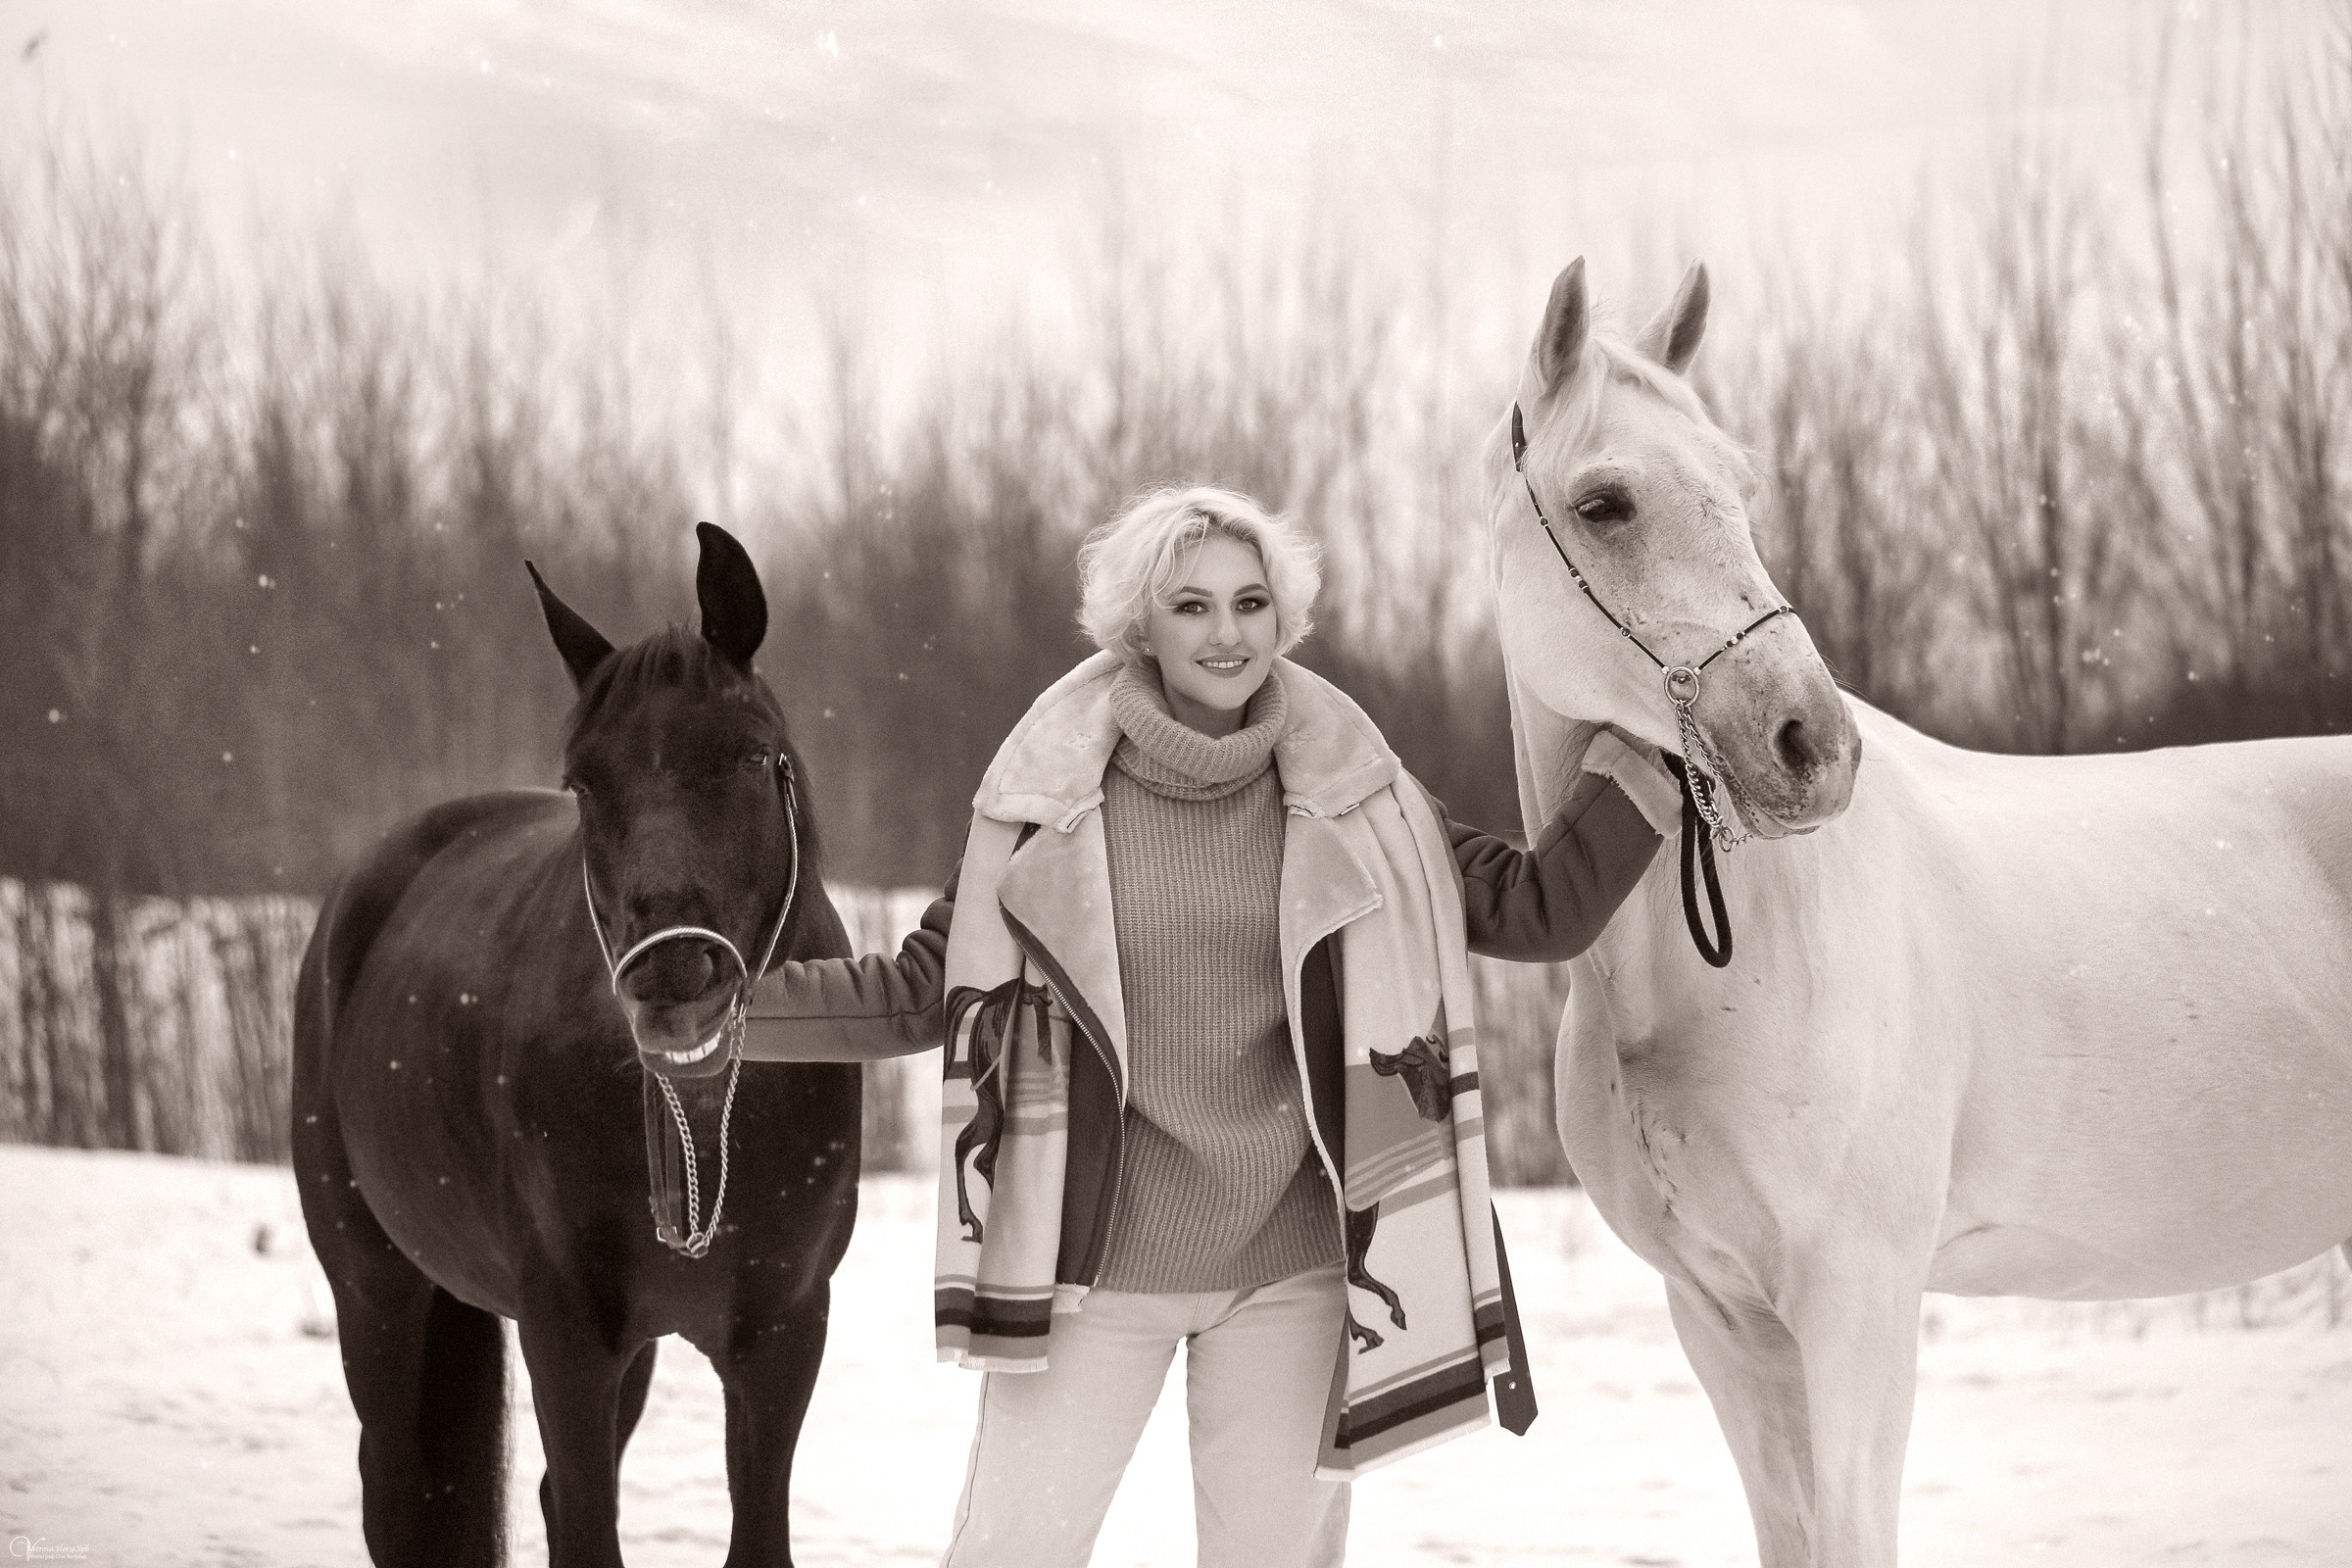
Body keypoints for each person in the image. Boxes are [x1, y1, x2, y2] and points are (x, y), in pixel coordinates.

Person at [738, 486, 1674, 1568]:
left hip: (1291, 1265)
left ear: (1283, 618)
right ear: (1142, 625)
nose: (1226, 633)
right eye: (1191, 606)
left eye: (1249, 602)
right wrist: (720, 1017)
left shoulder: (1360, 796)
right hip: (1093, 1264)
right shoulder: (1048, 800)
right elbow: (921, 988)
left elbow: (1531, 906)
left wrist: (1659, 755)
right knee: (1009, 1554)